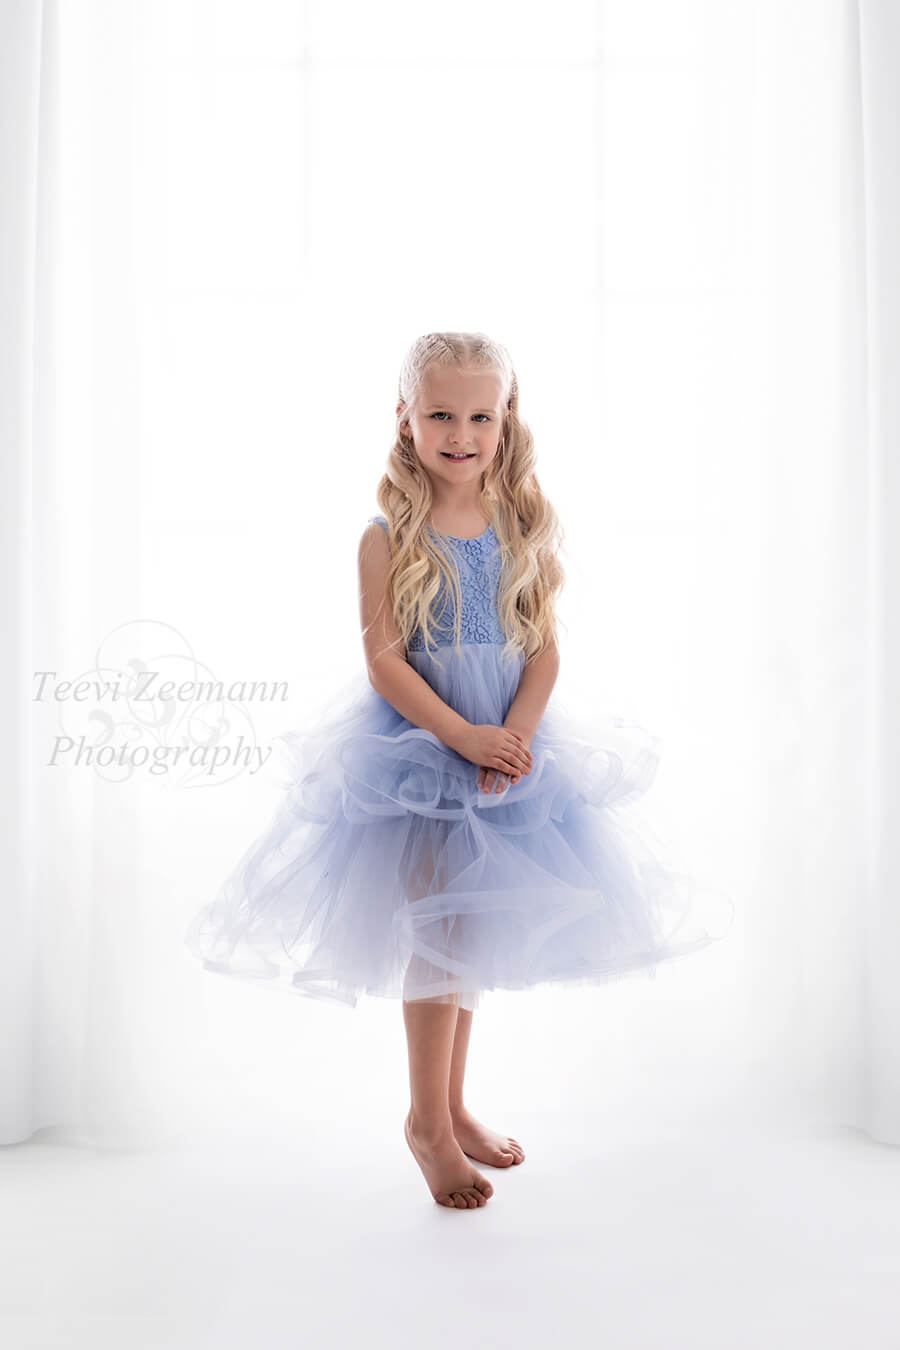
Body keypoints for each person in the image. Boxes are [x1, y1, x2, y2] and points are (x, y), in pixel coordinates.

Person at [184, 330, 734, 1210]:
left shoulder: (524, 526)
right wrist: (463, 737)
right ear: (403, 418)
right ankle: (426, 1127)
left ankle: (453, 1104)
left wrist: (513, 732)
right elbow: (386, 664)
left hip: (507, 751)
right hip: (422, 749)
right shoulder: (386, 537)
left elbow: (545, 649)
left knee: (468, 929)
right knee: (436, 932)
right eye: (440, 413)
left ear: (506, 419)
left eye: (481, 414)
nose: (461, 432)